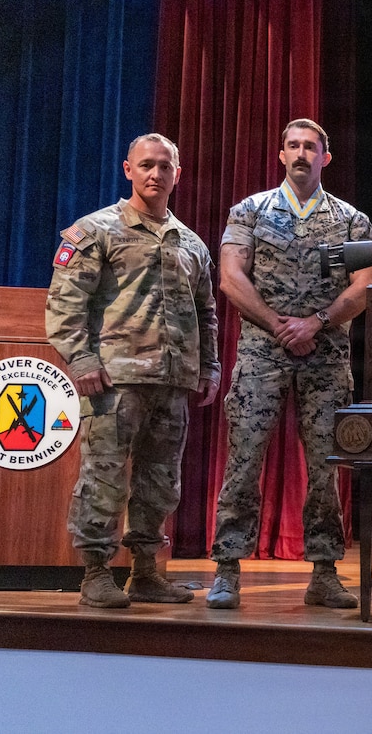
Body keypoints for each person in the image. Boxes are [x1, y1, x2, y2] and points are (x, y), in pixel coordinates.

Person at [46, 133, 220, 608]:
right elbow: (65, 303)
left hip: (172, 381)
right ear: (128, 169)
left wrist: (209, 366)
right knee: (104, 479)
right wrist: (80, 359)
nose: (155, 174)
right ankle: (96, 574)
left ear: (177, 174)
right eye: (146, 165)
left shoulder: (192, 244)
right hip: (114, 380)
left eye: (165, 166)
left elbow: (206, 311)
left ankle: (145, 573)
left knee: (160, 481)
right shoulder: (96, 230)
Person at [206, 118, 372, 610]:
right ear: (281, 155)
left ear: (326, 157)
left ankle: (324, 572)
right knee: (244, 460)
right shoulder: (250, 212)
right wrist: (279, 324)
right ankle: (227, 570)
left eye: (311, 147)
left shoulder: (350, 220)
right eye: (293, 146)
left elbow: (364, 286)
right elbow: (231, 278)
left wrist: (316, 322)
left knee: (326, 466)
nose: (301, 154)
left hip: (325, 355)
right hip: (262, 353)